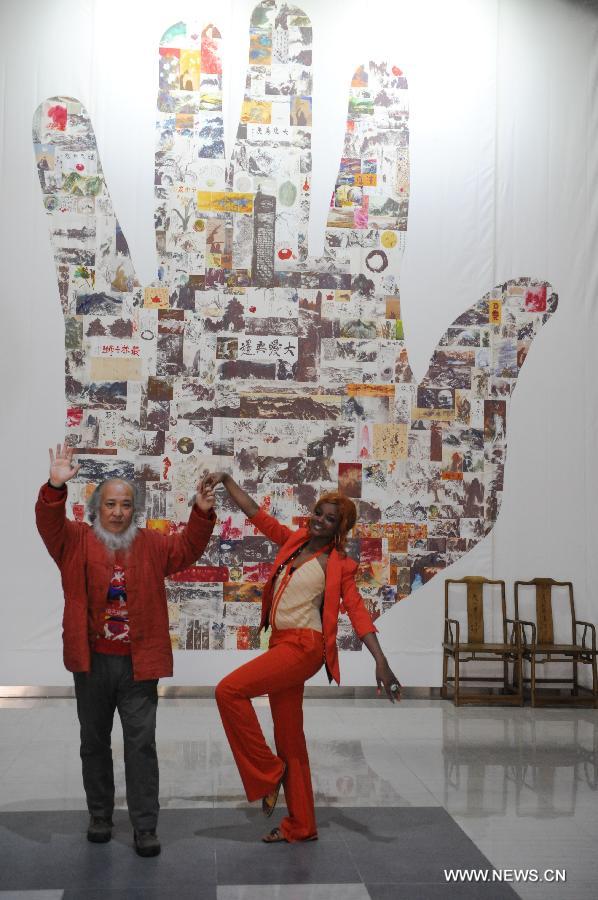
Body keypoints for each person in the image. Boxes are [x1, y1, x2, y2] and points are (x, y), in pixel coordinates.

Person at [35, 443, 216, 857]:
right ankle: (100, 815)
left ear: (135, 510)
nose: (118, 512)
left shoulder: (152, 545)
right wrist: (55, 485)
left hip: (139, 666)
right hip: (91, 662)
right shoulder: (74, 541)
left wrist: (202, 511)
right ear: (96, 507)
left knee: (141, 744)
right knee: (93, 742)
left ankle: (145, 826)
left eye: (126, 505)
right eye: (111, 504)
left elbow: (188, 547)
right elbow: (48, 522)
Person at [205, 472, 401, 844]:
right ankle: (302, 825)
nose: (320, 521)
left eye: (331, 519)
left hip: (304, 648)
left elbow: (357, 611)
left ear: (341, 529)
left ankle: (268, 772)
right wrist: (227, 480)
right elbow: (254, 513)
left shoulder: (338, 564)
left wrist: (381, 660)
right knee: (290, 736)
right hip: (281, 643)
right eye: (319, 513)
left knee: (228, 690)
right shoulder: (295, 541)